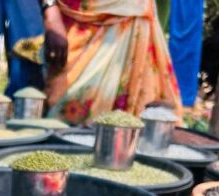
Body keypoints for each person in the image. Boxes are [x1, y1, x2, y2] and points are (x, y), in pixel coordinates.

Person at [40, 0, 182, 124]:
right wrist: (51, 13)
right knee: (60, 122)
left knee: (131, 137)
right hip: (80, 21)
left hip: (135, 19)